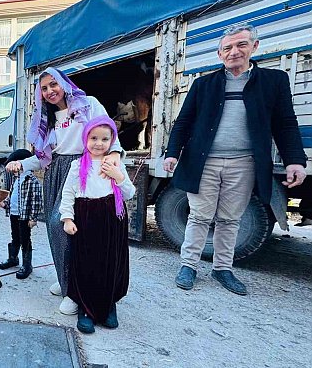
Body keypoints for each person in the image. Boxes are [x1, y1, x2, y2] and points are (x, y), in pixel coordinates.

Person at [164, 23, 307, 296]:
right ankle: (188, 265)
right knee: (199, 216)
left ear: (254, 47)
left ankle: (222, 269)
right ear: (219, 54)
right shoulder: (203, 84)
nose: (234, 52)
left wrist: (295, 160)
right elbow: (183, 122)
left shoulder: (273, 82)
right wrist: (172, 153)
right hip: (203, 162)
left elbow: (285, 123)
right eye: (227, 47)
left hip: (244, 163)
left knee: (230, 219)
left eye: (241, 45)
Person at [5, 67, 123, 315]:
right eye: (44, 89)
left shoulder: (88, 104)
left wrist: (113, 154)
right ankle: (66, 279)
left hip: (84, 168)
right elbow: (43, 158)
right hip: (56, 172)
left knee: (74, 229)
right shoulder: (46, 120)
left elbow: (108, 132)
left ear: (64, 83)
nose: (49, 91)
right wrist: (21, 163)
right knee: (54, 228)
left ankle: (75, 290)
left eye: (53, 85)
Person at [60, 117, 135, 333]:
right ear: (85, 139)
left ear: (112, 141)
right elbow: (68, 193)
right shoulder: (77, 165)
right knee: (85, 263)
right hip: (85, 219)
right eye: (93, 138)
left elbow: (129, 193)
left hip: (112, 220)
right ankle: (86, 308)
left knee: (111, 262)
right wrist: (67, 218)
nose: (98, 143)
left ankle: (108, 305)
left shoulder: (113, 164)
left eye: (105, 139)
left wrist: (118, 176)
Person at [0, 149, 43, 279]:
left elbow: (36, 201)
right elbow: (12, 194)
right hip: (14, 213)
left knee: (25, 239)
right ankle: (13, 258)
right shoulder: (16, 179)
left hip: (25, 216)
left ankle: (27, 265)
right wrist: (5, 203)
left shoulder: (32, 180)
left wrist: (33, 218)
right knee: (15, 236)